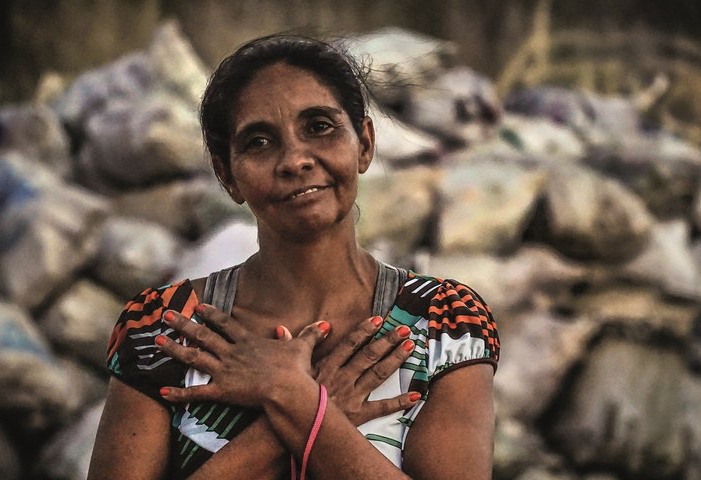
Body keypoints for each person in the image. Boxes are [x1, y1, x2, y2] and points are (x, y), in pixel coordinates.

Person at [88, 34, 499, 480]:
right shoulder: (164, 330)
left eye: (319, 127)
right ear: (227, 176)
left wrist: (293, 397)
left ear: (364, 143)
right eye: (259, 142)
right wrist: (301, 403)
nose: (294, 160)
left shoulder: (444, 323)